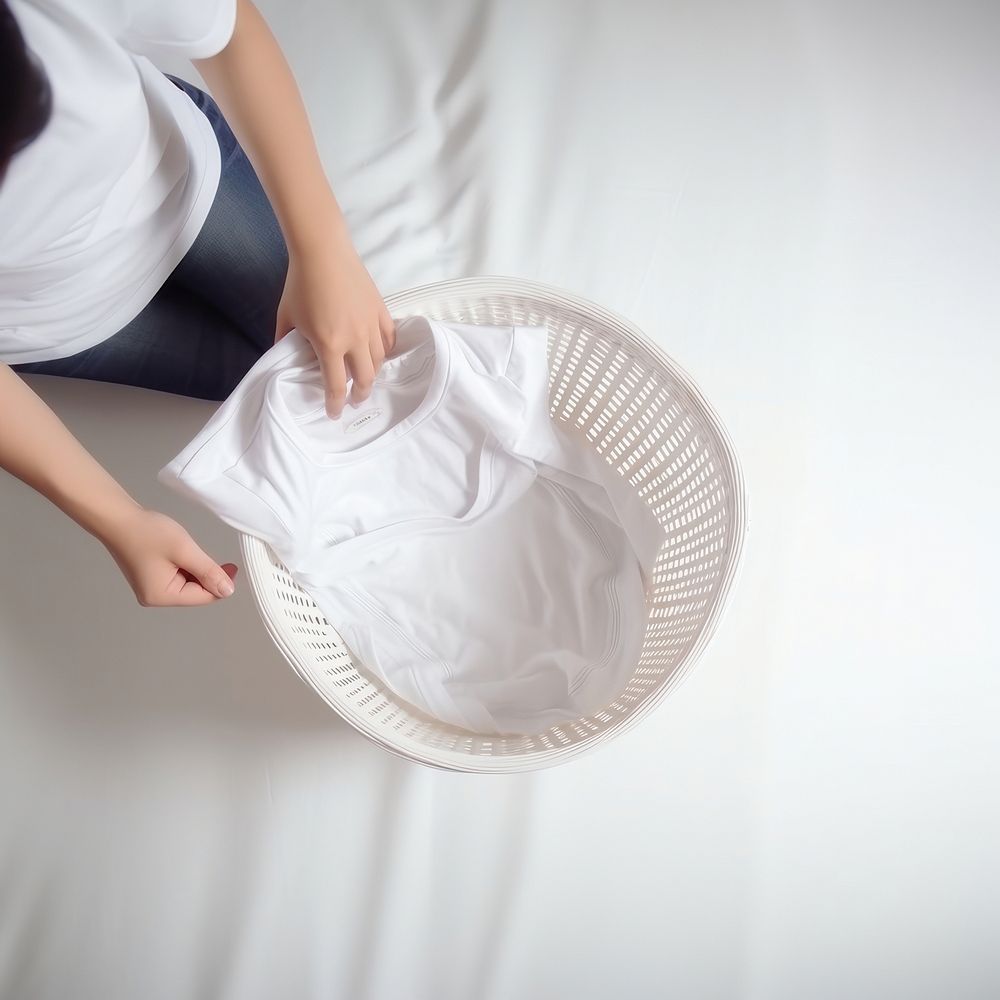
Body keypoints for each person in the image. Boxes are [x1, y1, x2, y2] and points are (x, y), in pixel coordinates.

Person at [0, 0, 397, 609]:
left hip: (178, 177)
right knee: (290, 389)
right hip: (59, 320)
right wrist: (119, 520)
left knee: (347, 366)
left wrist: (323, 247)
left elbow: (229, 27)